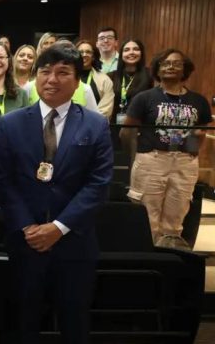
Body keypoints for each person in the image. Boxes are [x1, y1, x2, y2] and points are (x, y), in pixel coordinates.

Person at [0, 42, 113, 344]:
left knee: (75, 322)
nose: (52, 79)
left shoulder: (96, 124)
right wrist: (28, 227)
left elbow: (98, 184)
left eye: (63, 72)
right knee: (24, 321)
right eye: (45, 71)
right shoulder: (11, 123)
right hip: (25, 241)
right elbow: (4, 181)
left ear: (77, 82)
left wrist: (58, 228)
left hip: (74, 242)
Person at [122, 49, 212, 249]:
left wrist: (189, 152)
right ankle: (147, 259)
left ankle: (168, 260)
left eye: (177, 63)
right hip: (152, 159)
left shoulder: (198, 101)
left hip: (185, 162)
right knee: (147, 216)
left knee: (176, 217)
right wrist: (138, 157)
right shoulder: (144, 98)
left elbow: (200, 134)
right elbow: (127, 133)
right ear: (157, 69)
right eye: (165, 63)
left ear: (185, 69)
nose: (171, 66)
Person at [108, 39, 153, 124]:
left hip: (141, 126)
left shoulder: (150, 75)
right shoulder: (110, 76)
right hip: (114, 125)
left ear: (141, 53)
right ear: (121, 54)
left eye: (136, 49)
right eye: (126, 50)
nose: (131, 52)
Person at [75, 40, 114, 120]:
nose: (84, 55)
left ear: (93, 56)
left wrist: (87, 123)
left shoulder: (105, 80)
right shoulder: (66, 76)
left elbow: (106, 110)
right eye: (81, 52)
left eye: (88, 52)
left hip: (93, 126)